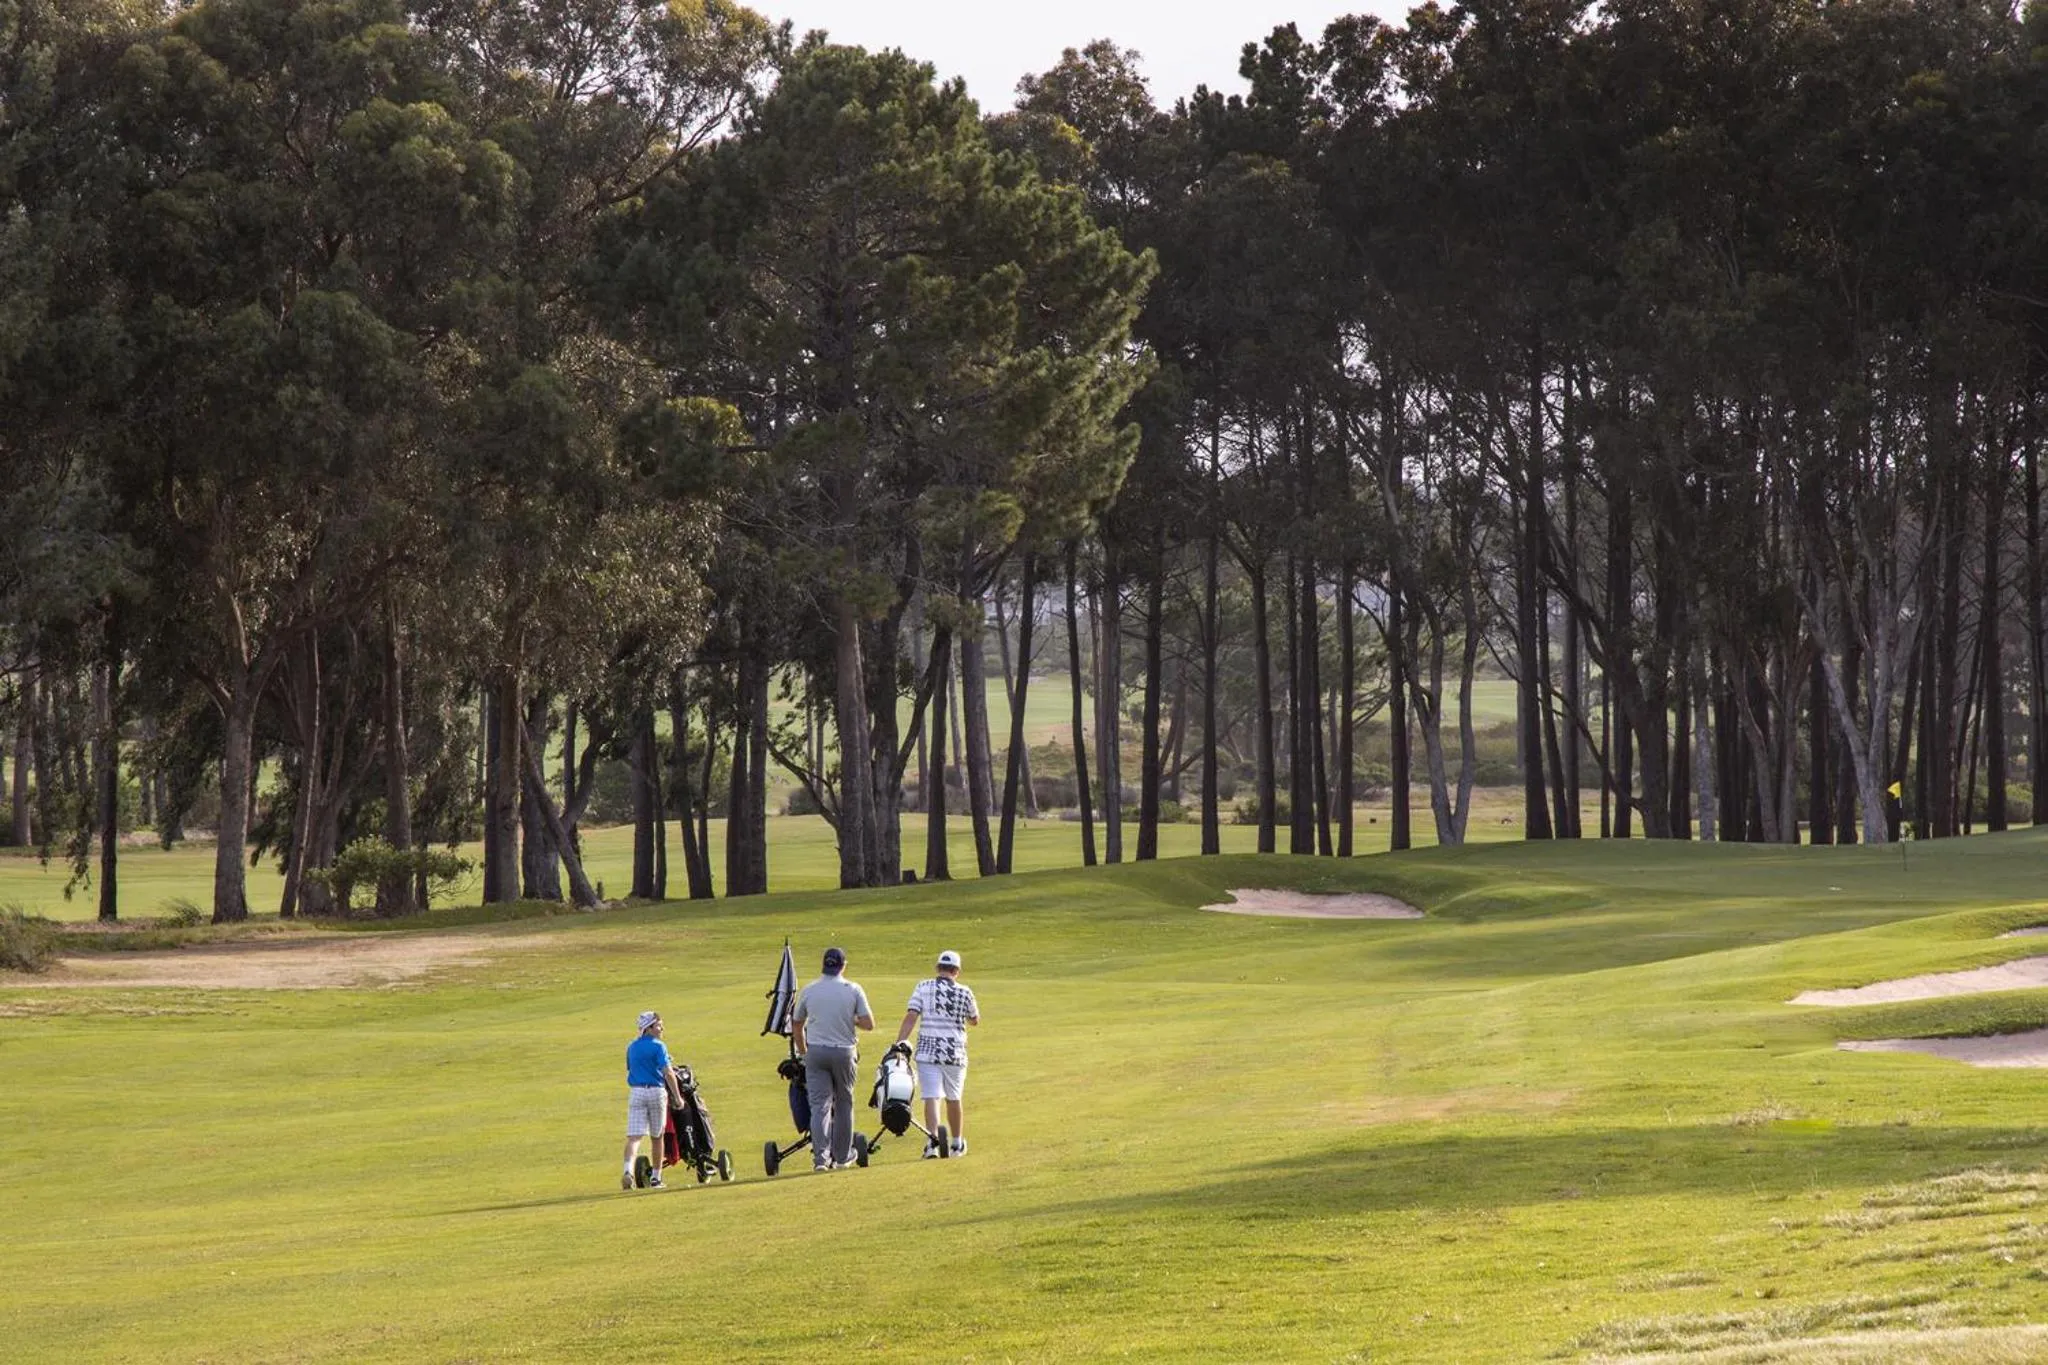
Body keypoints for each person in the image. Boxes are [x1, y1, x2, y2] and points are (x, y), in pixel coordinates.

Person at [792, 946, 874, 1171]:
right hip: (844, 1052)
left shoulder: (809, 990)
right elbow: (869, 1024)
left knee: (819, 1106)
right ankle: (842, 1156)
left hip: (816, 1052)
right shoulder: (853, 989)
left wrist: (803, 1051)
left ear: (824, 965)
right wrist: (852, 1020)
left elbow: (797, 1023)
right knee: (844, 1103)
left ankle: (821, 1159)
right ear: (843, 966)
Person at [894, 949, 980, 1157]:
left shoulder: (923, 987)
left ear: (937, 968)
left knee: (931, 1096)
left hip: (928, 1051)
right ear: (956, 971)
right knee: (954, 1097)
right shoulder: (965, 992)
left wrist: (899, 1042)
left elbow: (911, 1016)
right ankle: (957, 1143)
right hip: (955, 1053)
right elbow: (974, 1019)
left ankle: (932, 1142)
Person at [623, 1010, 685, 1190]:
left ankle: (628, 1171)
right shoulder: (659, 1046)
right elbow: (668, 1073)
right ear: (648, 1028)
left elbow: (630, 1068)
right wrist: (678, 1098)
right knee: (657, 1136)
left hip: (636, 1092)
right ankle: (656, 1178)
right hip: (656, 1092)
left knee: (634, 1137)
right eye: (658, 1025)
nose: (661, 1028)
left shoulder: (632, 1046)